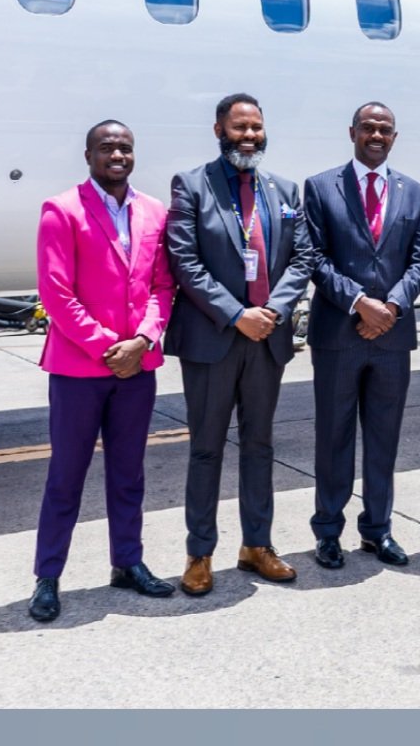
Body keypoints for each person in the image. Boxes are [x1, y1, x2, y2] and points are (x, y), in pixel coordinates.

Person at [163, 90, 320, 595]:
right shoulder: (192, 185)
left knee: (259, 445)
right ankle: (199, 553)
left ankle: (257, 545)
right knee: (206, 450)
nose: (249, 136)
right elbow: (184, 262)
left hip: (266, 339)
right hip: (213, 339)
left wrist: (272, 310)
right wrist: (236, 314)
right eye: (239, 128)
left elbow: (303, 258)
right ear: (219, 131)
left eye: (255, 127)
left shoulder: (284, 190)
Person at [29, 119, 178, 623]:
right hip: (78, 369)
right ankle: (48, 578)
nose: (117, 154)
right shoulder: (61, 211)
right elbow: (56, 294)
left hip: (137, 367)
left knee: (128, 474)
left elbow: (163, 288)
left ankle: (127, 562)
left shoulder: (155, 212)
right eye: (107, 147)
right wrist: (109, 346)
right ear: (89, 155)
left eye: (125, 147)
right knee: (65, 478)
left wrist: (142, 341)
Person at [301, 100, 420, 568]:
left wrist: (392, 305)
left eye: (385, 129)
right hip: (339, 332)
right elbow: (313, 256)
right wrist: (359, 301)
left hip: (392, 335)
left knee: (384, 436)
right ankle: (328, 532)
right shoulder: (320, 187)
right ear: (352, 132)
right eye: (368, 127)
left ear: (394, 137)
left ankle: (378, 529)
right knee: (333, 437)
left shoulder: (413, 192)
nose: (376, 135)